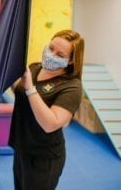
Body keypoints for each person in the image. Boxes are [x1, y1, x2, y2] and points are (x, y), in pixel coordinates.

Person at [8, 29, 84, 190]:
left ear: (70, 61)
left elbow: (51, 124)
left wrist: (30, 87)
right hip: (22, 148)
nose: (51, 55)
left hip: (43, 157)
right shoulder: (35, 67)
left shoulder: (71, 87)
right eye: (51, 48)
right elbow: (20, 91)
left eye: (60, 55)